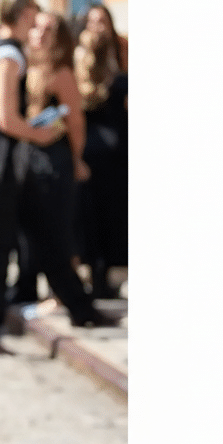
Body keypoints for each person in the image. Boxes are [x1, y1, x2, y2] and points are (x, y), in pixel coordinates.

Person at [18, 9, 121, 327]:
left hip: (56, 159)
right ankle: (46, 294)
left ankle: (73, 302)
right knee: (36, 234)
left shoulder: (61, 73)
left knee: (59, 233)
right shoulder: (27, 64)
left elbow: (75, 121)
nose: (41, 33)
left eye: (48, 28)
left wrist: (76, 160)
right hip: (31, 157)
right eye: (37, 27)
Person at [74, 18, 128, 298]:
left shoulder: (119, 69)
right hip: (93, 158)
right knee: (92, 219)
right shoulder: (75, 77)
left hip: (116, 160)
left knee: (107, 219)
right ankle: (96, 274)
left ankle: (103, 275)